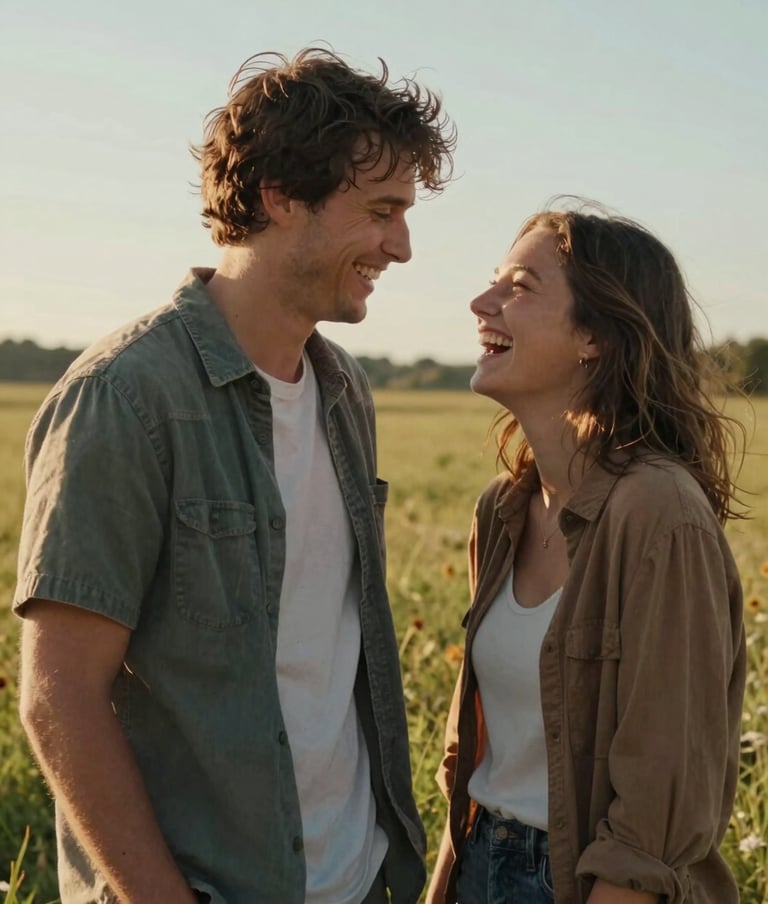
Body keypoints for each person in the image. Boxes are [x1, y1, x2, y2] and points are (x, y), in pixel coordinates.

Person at [14, 48, 455, 904]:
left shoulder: (344, 393)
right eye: (381, 211)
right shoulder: (124, 397)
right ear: (280, 197)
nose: (401, 246)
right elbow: (59, 695)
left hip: (358, 879)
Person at [427, 205, 746, 904]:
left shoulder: (659, 513)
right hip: (481, 862)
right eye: (492, 283)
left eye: (520, 287)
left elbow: (661, 795)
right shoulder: (503, 508)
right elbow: (477, 756)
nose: (483, 303)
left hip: (583, 883)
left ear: (596, 335)